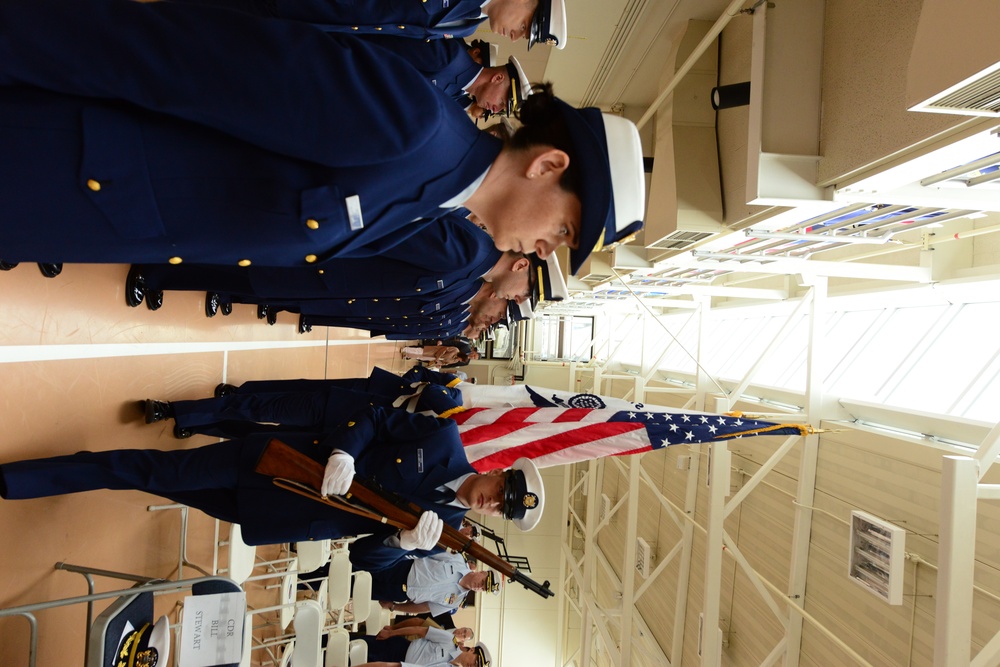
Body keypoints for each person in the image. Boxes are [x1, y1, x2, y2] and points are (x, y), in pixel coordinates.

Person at [0, 0, 644, 274]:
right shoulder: (414, 128)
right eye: (564, 229)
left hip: (63, 214)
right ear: (549, 165)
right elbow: (179, 59)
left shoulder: (428, 203)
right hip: (47, 157)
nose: (543, 250)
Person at [0, 408, 546, 571]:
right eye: (502, 490)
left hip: (279, 514)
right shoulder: (443, 438)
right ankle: (26, 478)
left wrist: (401, 547)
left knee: (166, 484)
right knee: (155, 472)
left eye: (501, 509)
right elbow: (375, 419)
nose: (492, 502)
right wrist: (344, 451)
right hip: (276, 463)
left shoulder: (440, 533)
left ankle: (69, 470)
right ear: (498, 471)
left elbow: (364, 558)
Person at [176, 0, 566, 48]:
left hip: (328, 23)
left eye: (524, 36)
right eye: (527, 23)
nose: (517, 34)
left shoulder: (465, 26)